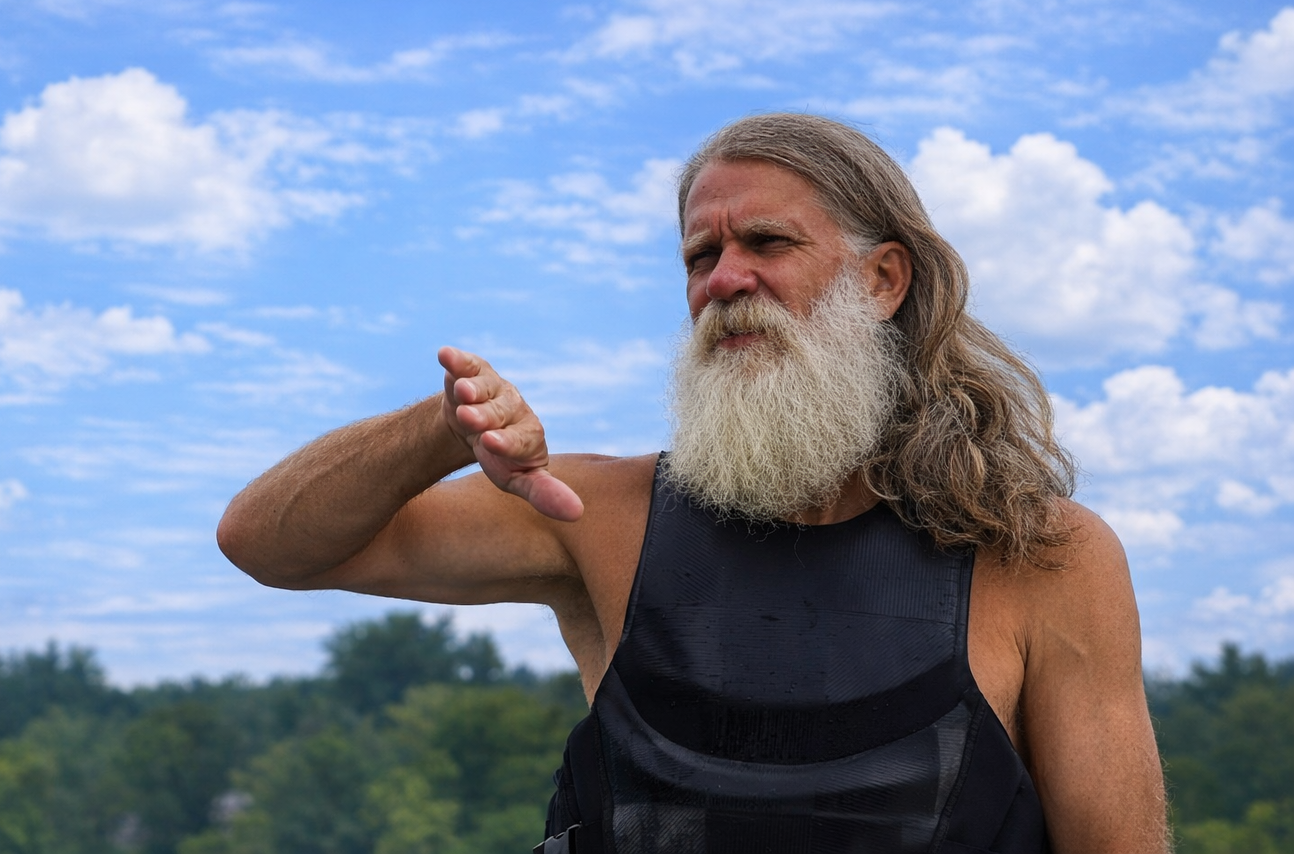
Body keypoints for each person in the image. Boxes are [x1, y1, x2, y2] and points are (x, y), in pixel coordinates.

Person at [217, 114, 1169, 854]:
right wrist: (441, 430)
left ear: (884, 281)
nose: (725, 280)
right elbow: (266, 543)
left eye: (767, 243)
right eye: (700, 256)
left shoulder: (1044, 557)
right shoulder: (597, 518)